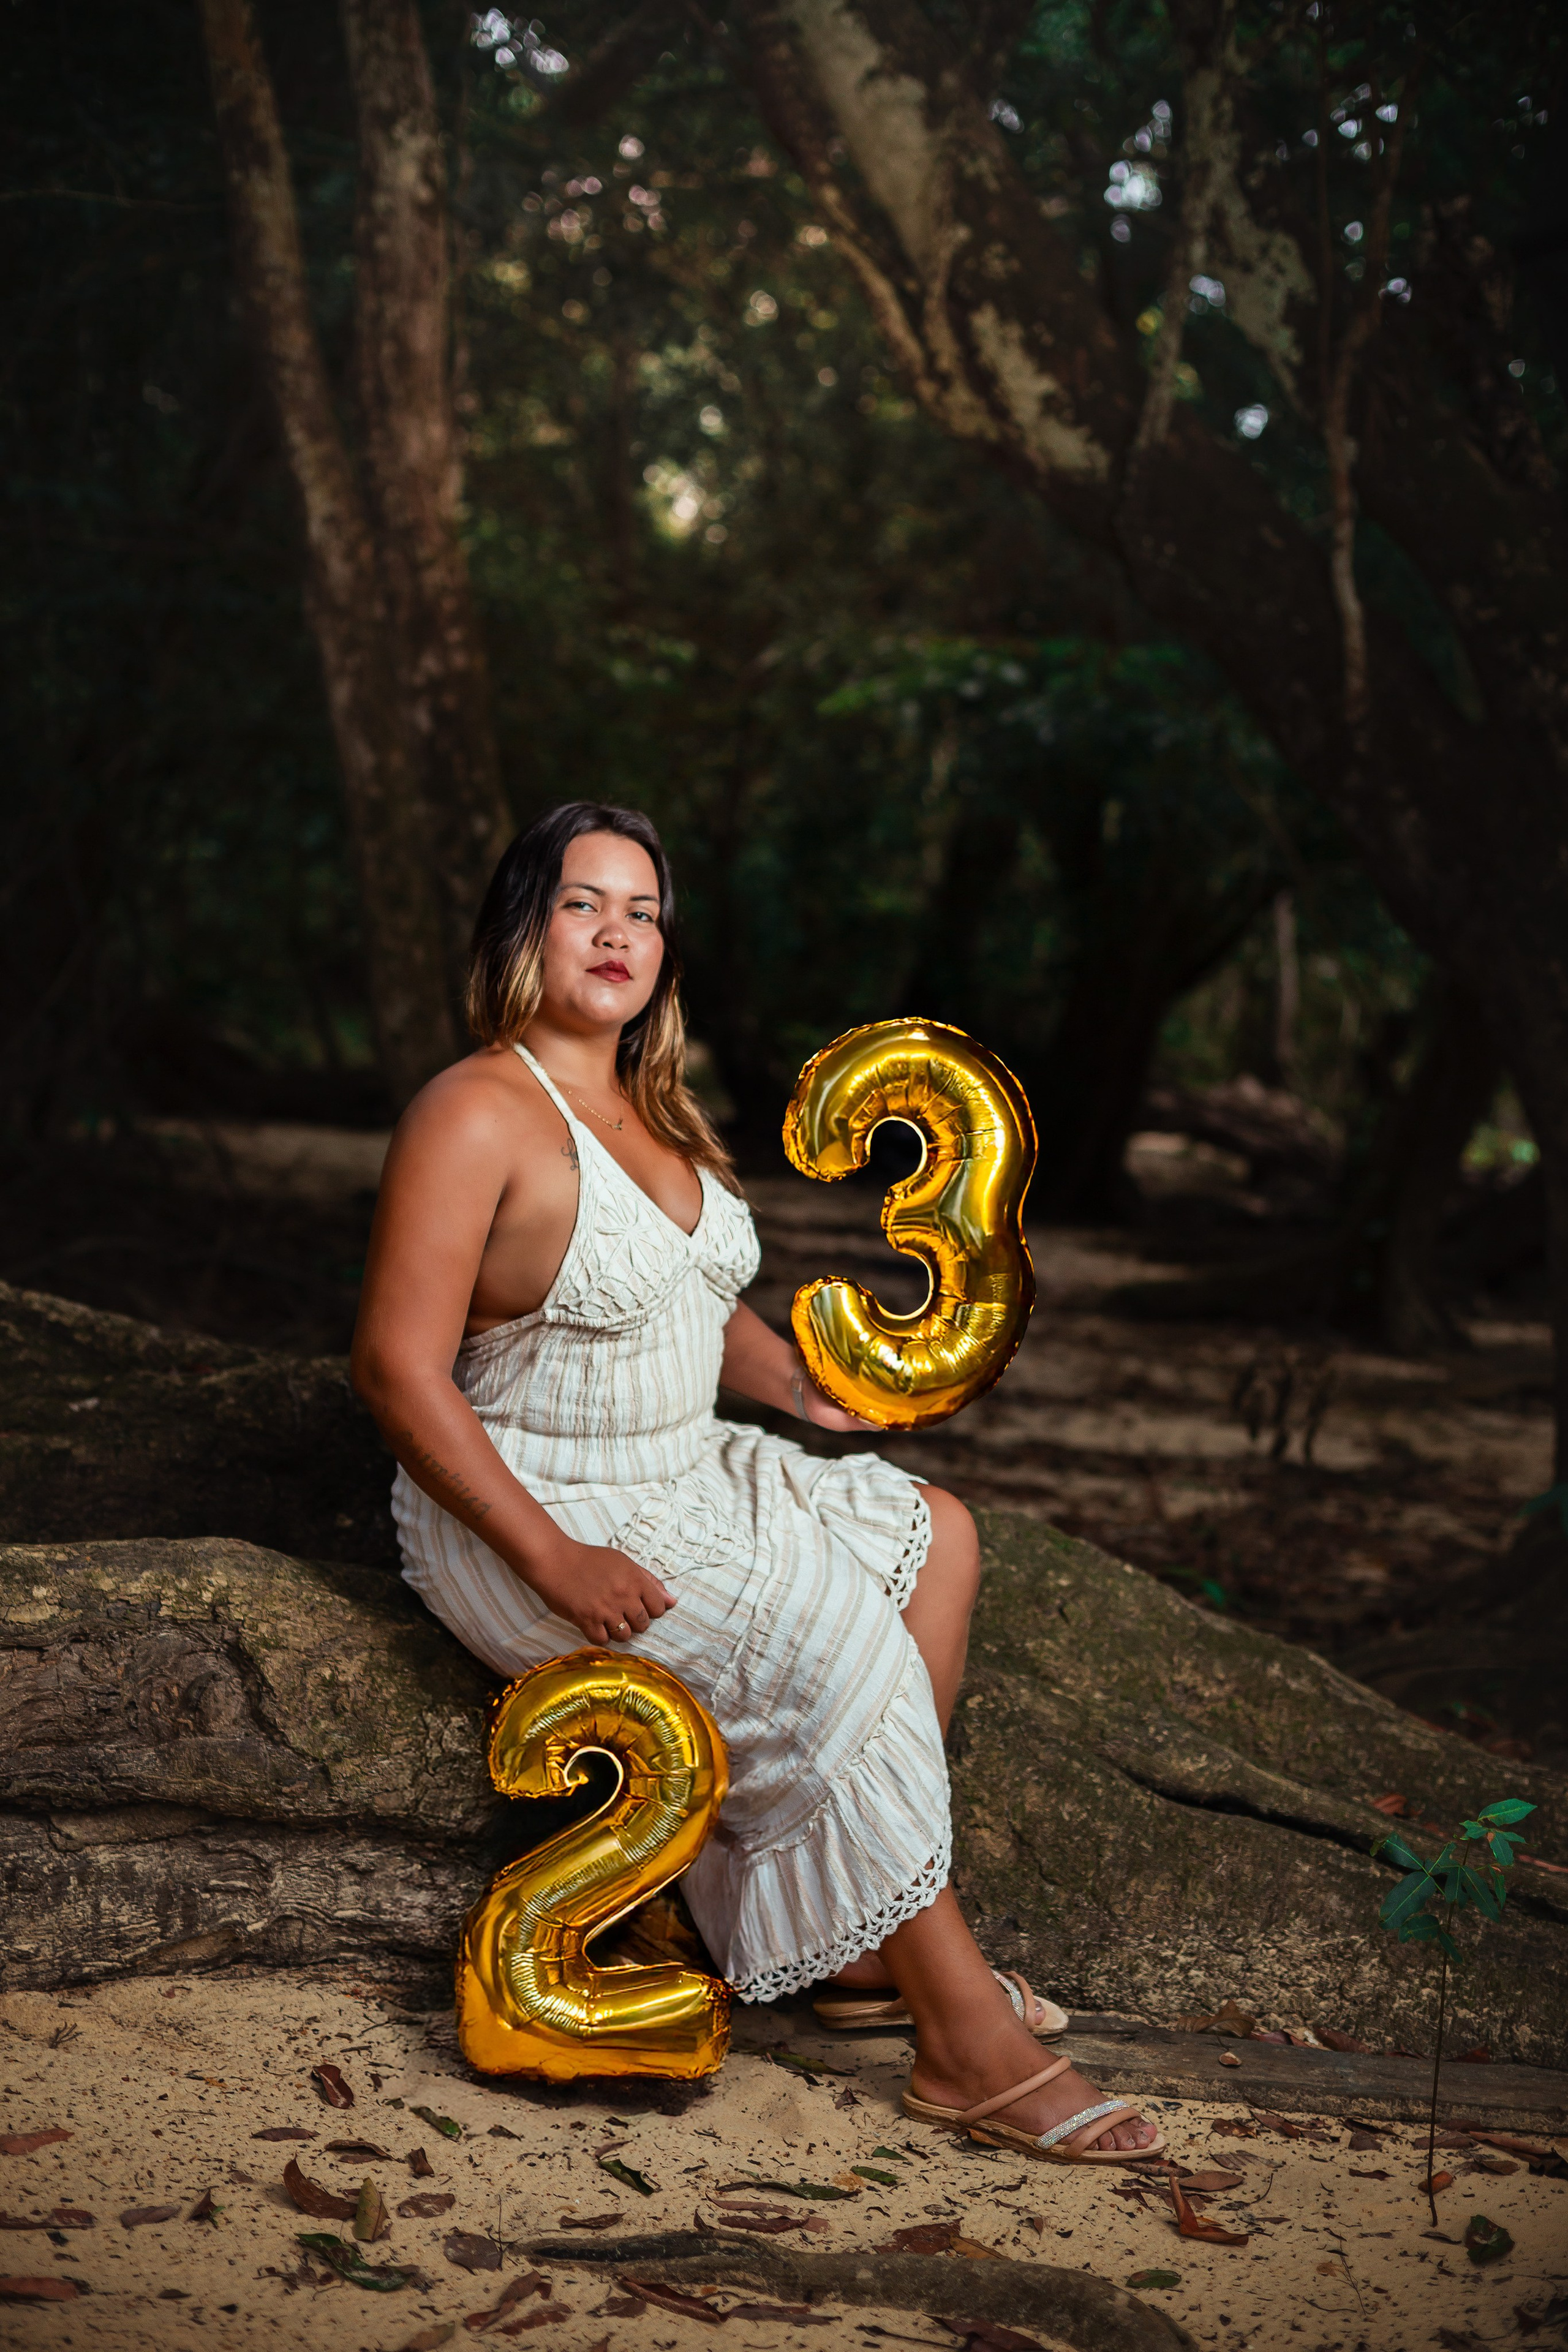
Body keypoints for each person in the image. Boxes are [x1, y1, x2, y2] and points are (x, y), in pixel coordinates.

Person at [352, 802, 1160, 2165]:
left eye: (643, 911)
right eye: (581, 904)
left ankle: (851, 1959)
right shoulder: (475, 1109)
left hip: (681, 1463)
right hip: (541, 1504)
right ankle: (962, 2039)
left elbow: (683, 1293)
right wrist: (552, 1560)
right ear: (520, 927)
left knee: (935, 1534)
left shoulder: (653, 1102)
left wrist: (790, 1384)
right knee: (837, 1645)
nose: (617, 933)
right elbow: (392, 1367)